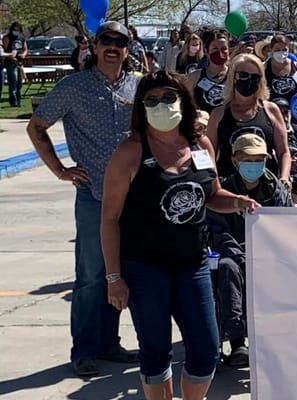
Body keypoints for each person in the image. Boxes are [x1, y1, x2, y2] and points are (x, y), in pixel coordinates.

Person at [100, 70, 259, 399]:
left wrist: (240, 202)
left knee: (207, 350)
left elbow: (212, 195)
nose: (161, 105)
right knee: (156, 352)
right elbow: (110, 219)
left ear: (183, 102)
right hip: (145, 267)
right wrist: (114, 277)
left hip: (194, 263)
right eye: (152, 100)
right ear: (142, 107)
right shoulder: (129, 152)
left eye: (169, 97)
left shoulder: (201, 145)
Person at [26, 21, 140, 377]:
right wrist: (60, 170)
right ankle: (85, 350)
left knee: (120, 273)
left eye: (120, 42)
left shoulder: (138, 86)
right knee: (91, 276)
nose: (112, 47)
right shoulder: (72, 87)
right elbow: (36, 127)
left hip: (134, 198)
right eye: (106, 40)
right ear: (94, 44)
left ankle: (110, 342)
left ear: (127, 48)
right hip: (94, 196)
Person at [207, 134, 291, 367]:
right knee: (227, 268)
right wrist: (244, 256)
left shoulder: (277, 191)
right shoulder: (223, 193)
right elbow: (219, 233)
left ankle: (277, 338)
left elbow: (288, 227)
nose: (254, 164)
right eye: (248, 159)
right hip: (234, 252)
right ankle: (237, 341)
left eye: (259, 159)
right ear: (235, 160)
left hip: (271, 252)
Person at [206, 54, 292, 184]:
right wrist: (214, 183)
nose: (249, 80)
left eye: (255, 77)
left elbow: (284, 152)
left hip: (266, 185)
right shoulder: (218, 114)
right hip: (229, 186)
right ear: (234, 77)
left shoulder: (271, 110)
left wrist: (284, 177)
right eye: (244, 75)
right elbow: (208, 154)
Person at [185, 29, 228, 113]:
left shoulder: (235, 75)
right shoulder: (194, 77)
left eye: (224, 49)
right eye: (215, 49)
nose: (220, 53)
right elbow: (186, 104)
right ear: (206, 51)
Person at [263, 35, 297, 102]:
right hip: (271, 110)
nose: (281, 52)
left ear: (288, 49)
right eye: (277, 50)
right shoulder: (263, 69)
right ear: (271, 49)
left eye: (284, 50)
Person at [3, 22, 27, 107]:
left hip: (19, 63)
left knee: (19, 83)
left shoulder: (21, 37)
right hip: (11, 63)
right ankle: (13, 102)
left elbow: (25, 49)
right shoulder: (7, 37)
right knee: (13, 82)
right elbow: (4, 51)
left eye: (18, 29)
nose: (16, 31)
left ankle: (18, 100)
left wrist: (23, 55)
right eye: (14, 29)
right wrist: (12, 57)